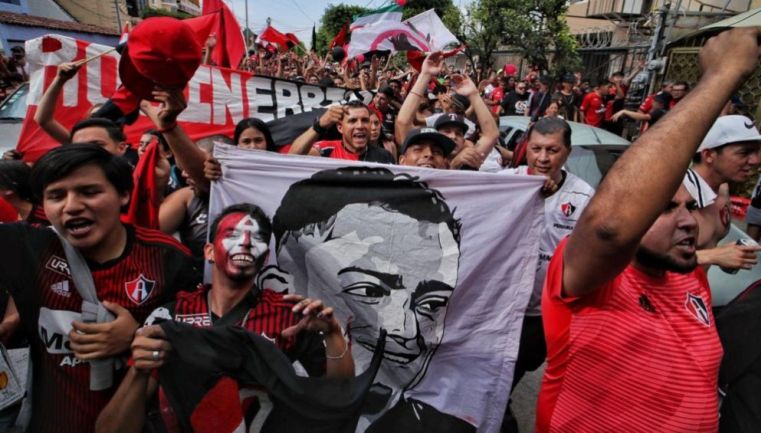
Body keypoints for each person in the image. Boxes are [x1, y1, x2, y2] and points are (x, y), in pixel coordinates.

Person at [536, 26, 761, 432]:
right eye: (663, 209)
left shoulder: (690, 277)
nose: (685, 220)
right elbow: (611, 228)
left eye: (690, 208)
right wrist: (721, 75)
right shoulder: (589, 280)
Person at [95, 203, 353, 432]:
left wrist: (332, 335)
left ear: (264, 258)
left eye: (257, 238)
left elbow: (339, 399)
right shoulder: (168, 318)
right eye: (233, 235)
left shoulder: (290, 317)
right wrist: (140, 370)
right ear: (208, 251)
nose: (245, 243)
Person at [0, 144, 200, 433]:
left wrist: (139, 337)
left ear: (123, 195)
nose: (71, 206)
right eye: (56, 196)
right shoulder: (25, 248)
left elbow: (198, 342)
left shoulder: (167, 258)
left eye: (89, 192)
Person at [268, 167, 472, 432]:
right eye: (370, 292)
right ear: (280, 286)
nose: (406, 332)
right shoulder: (242, 394)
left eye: (431, 303)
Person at [498, 118, 594, 433]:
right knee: (493, 383)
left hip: (541, 317)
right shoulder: (503, 184)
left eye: (552, 150)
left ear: (568, 152)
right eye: (536, 149)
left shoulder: (584, 198)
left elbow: (590, 255)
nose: (542, 158)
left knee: (504, 381)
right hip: (497, 308)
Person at [683, 115, 761, 270]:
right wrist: (712, 256)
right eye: (744, 153)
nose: (755, 160)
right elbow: (640, 256)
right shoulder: (677, 196)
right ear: (709, 155)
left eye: (756, 151)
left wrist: (726, 254)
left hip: (696, 290)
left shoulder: (722, 190)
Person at [289, 100, 395, 163]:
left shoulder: (385, 156)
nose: (360, 126)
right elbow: (292, 157)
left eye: (365, 120)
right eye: (352, 121)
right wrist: (319, 126)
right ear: (340, 127)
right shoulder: (326, 150)